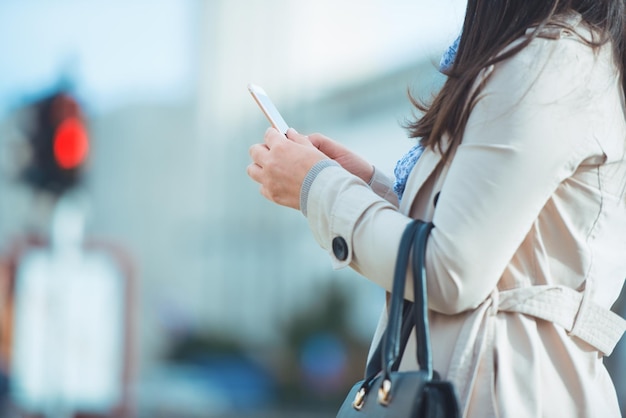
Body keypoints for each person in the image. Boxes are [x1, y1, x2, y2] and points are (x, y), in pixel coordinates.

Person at [247, 1, 626, 417]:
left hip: (506, 392)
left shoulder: (549, 59)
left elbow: (449, 270)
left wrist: (317, 186)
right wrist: (361, 186)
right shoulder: (549, 54)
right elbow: (470, 240)